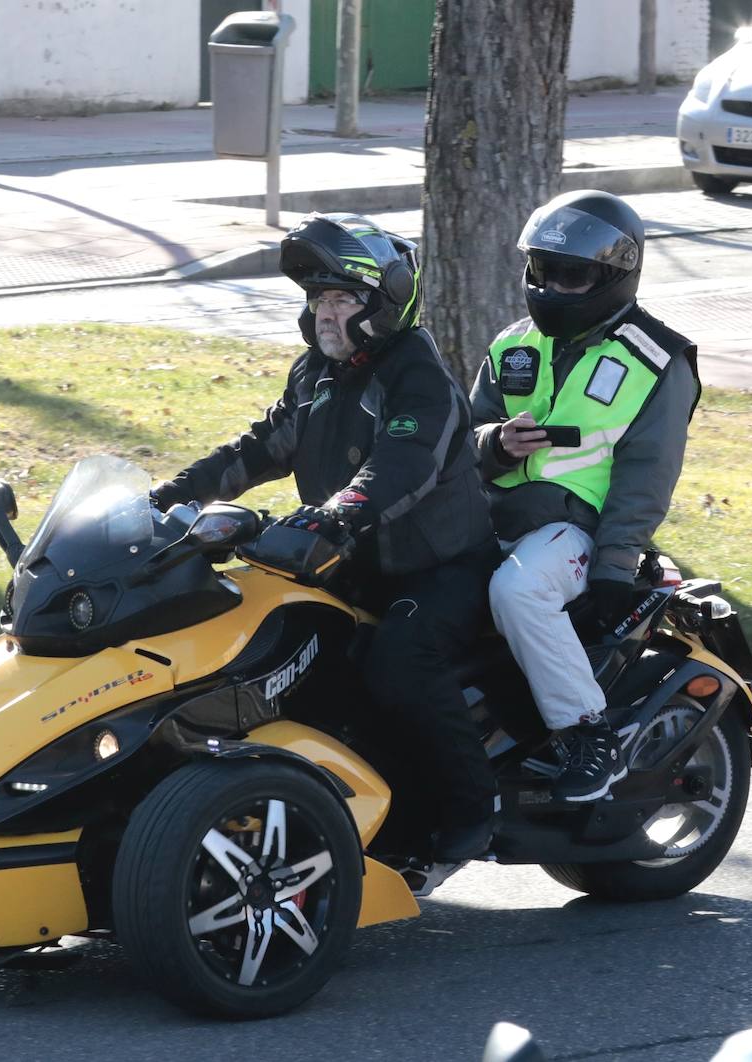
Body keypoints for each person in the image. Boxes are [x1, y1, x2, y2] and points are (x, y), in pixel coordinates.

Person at [152, 213, 501, 863]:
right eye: (317, 300)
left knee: (398, 658)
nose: (324, 315)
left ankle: (469, 809)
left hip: (437, 570)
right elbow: (259, 449)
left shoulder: (416, 376)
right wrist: (167, 497)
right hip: (347, 565)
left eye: (341, 299)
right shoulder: (314, 374)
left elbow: (403, 465)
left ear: (385, 303)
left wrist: (336, 512)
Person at [469, 189, 699, 802]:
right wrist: (492, 443)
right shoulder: (511, 344)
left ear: (615, 274)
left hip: (575, 530)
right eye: (542, 271)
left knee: (518, 591)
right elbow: (460, 445)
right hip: (490, 518)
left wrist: (614, 569)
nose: (552, 287)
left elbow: (647, 478)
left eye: (571, 275)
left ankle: (588, 734)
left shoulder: (657, 361)